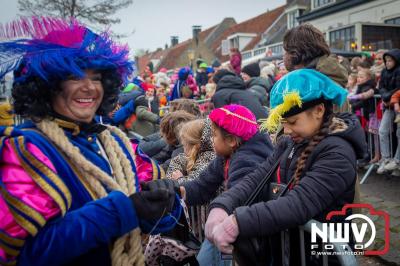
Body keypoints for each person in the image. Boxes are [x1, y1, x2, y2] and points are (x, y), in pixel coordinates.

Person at [0, 17, 180, 266]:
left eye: (96, 78)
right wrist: (124, 211)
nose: (89, 88)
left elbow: (152, 215)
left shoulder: (112, 142)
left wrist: (163, 202)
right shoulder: (25, 149)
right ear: (48, 86)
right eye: (75, 77)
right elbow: (27, 255)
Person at [205, 69, 366, 265]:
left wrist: (238, 222)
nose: (287, 130)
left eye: (292, 122)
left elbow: (300, 202)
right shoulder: (288, 143)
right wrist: (223, 205)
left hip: (322, 257)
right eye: (283, 123)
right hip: (291, 254)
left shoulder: (338, 153)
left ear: (318, 111)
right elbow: (257, 178)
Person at [144, 104, 274, 266]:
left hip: (253, 235)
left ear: (231, 140)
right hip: (234, 230)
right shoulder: (227, 156)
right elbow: (202, 185)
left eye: (214, 135)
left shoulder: (246, 160)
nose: (211, 140)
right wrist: (176, 191)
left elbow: (239, 198)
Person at [377, 49, 400, 173]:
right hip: (389, 105)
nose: (387, 63)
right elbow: (381, 87)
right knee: (382, 131)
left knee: (399, 133)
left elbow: (398, 87)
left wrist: (388, 97)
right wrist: (385, 97)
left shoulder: (399, 71)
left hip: (398, 104)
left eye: (390, 60)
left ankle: (397, 160)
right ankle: (386, 159)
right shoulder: (384, 71)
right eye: (386, 61)